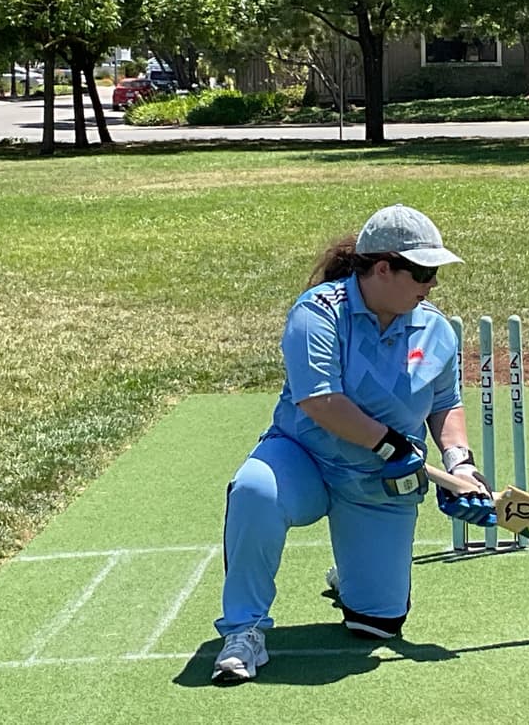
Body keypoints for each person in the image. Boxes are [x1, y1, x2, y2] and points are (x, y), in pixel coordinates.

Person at [211, 204, 496, 683]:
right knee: (254, 490)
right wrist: (391, 446)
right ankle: (245, 629)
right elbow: (321, 401)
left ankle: (353, 578)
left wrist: (460, 465)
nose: (432, 284)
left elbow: (444, 403)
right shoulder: (318, 313)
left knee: (378, 624)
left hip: (377, 482)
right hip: (304, 458)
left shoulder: (436, 329)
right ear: (383, 268)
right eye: (423, 272)